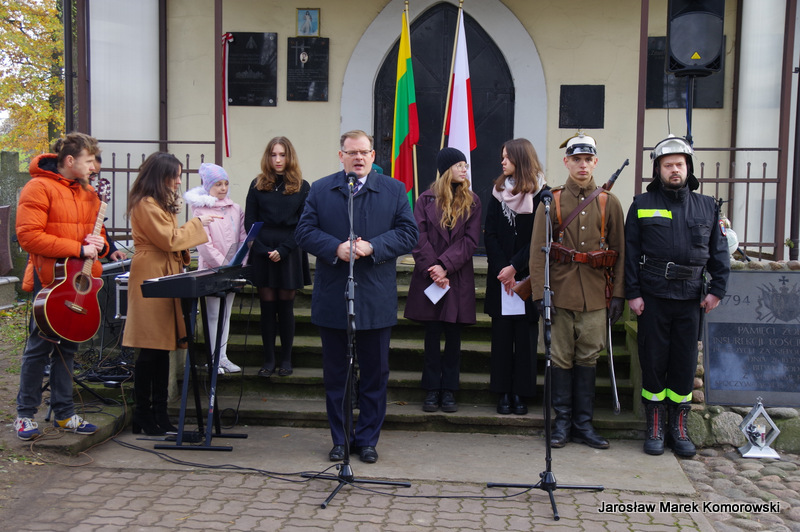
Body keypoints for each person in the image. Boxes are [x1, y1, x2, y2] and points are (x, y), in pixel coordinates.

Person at [295, 130, 418, 464]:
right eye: (352, 153)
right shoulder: (321, 189)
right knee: (337, 375)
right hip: (334, 296)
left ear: (373, 156)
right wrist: (334, 248)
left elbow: (409, 233)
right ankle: (340, 439)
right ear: (341, 156)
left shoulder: (393, 190)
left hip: (375, 297)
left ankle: (367, 440)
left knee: (375, 375)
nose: (359, 158)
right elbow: (303, 231)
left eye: (364, 152)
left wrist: (374, 246)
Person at [625, 135, 730, 458]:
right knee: (653, 362)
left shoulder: (707, 206)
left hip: (690, 299)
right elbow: (630, 253)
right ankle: (655, 426)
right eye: (668, 165)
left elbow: (719, 253)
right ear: (658, 170)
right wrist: (633, 293)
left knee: (684, 365)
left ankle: (679, 429)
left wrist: (717, 290)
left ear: (688, 168)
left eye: (679, 164)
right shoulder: (641, 204)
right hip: (653, 297)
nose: (674, 170)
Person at [530, 133, 625, 450]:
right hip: (559, 293)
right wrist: (540, 295)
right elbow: (537, 252)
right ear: (566, 162)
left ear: (595, 162)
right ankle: (562, 424)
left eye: (587, 159)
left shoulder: (608, 202)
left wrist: (619, 295)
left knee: (588, 359)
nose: (582, 165)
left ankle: (584, 425)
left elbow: (620, 252)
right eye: (576, 159)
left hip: (596, 296)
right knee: (560, 358)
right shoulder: (551, 201)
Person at [13, 132, 109, 440]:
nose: (94, 167)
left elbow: (99, 239)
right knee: (39, 348)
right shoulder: (38, 187)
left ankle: (65, 414)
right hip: (50, 281)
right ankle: (25, 415)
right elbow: (29, 236)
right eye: (89, 160)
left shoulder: (89, 194)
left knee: (68, 349)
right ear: (69, 160)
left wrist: (101, 245)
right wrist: (79, 248)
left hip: (80, 283)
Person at [122, 152, 217, 435]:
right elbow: (168, 239)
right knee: (151, 347)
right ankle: (144, 413)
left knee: (161, 346)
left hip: (163, 271)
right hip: (151, 272)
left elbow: (171, 240)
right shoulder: (146, 203)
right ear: (160, 176)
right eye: (175, 176)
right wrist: (199, 223)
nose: (178, 182)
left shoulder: (156, 202)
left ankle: (158, 414)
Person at [404, 148, 481, 413]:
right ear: (447, 169)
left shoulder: (473, 201)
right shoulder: (425, 199)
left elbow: (471, 240)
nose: (464, 170)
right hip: (430, 278)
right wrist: (434, 269)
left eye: (465, 165)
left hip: (456, 277)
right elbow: (418, 236)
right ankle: (431, 389)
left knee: (454, 336)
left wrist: (445, 266)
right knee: (432, 334)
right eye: (459, 165)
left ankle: (449, 389)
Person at [484, 138, 549, 416]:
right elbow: (490, 233)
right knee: (501, 338)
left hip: (527, 276)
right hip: (501, 277)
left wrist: (514, 267)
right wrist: (503, 269)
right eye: (502, 157)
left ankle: (521, 393)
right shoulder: (498, 191)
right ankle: (502, 393)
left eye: (507, 157)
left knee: (525, 339)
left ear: (520, 159)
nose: (502, 162)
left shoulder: (542, 194)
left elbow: (539, 238)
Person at [245, 137, 311, 378]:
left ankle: (286, 359)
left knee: (285, 307)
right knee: (266, 307)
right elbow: (249, 222)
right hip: (262, 250)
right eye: (273, 155)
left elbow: (304, 223)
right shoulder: (257, 184)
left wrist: (284, 249)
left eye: (282, 154)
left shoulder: (302, 186)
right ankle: (269, 359)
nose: (278, 160)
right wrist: (262, 249)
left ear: (289, 157)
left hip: (290, 251)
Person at [185, 163, 247, 374]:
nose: (223, 188)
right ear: (208, 186)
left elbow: (243, 237)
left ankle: (223, 357)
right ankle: (213, 359)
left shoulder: (235, 208)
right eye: (218, 184)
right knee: (213, 315)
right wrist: (224, 266)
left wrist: (239, 262)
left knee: (226, 314)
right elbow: (204, 244)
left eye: (225, 183)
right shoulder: (200, 210)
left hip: (232, 269)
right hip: (212, 270)